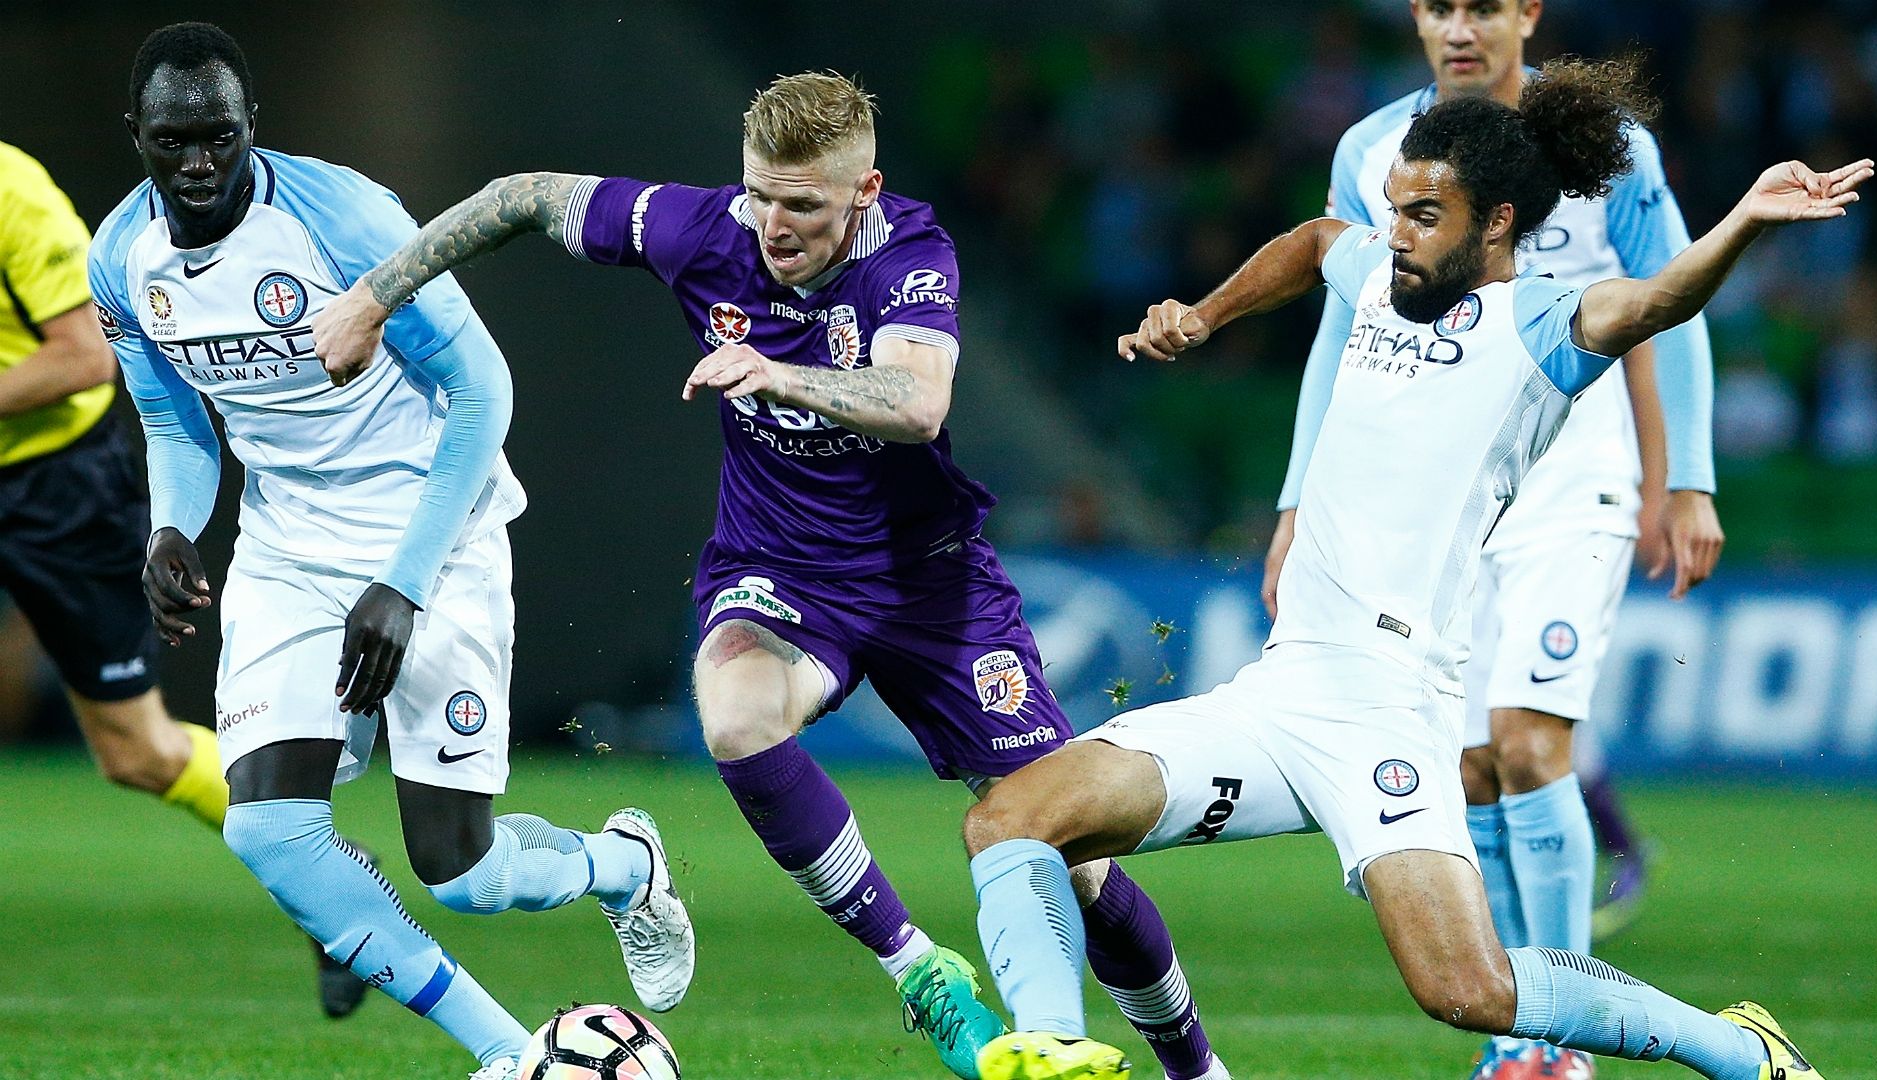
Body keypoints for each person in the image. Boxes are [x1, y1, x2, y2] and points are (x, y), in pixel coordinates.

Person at [959, 58, 1864, 1080]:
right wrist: (1208, 316)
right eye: (1395, 208)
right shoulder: (1381, 281)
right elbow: (1313, 242)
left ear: (1496, 223)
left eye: (1425, 215)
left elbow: (1659, 298)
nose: (1396, 232)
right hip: (1278, 693)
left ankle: (1742, 1049)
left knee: (1466, 990)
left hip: (1391, 709)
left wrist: (1742, 221)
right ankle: (1052, 1050)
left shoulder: (1546, 329)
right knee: (1013, 819)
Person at [313, 72, 1229, 1080]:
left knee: (1078, 862)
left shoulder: (912, 253)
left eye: (804, 204)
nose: (775, 225)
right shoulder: (697, 229)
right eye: (761, 194)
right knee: (738, 718)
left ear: (864, 193)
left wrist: (778, 372)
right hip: (780, 570)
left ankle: (1194, 1067)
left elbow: (918, 402)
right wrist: (371, 295)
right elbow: (525, 193)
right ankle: (918, 969)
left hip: (933, 585)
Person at [89, 24, 692, 1080]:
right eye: (173, 141)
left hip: (432, 533)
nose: (197, 165)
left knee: (457, 869)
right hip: (286, 546)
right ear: (134, 133)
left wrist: (403, 585)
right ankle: (512, 1057)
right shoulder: (120, 260)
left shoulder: (344, 219)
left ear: (252, 128)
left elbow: (481, 392)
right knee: (270, 831)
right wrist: (174, 527)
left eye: (218, 139)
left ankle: (619, 861)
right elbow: (177, 421)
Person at [1261, 11, 1720, 1060]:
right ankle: (1521, 1032)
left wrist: (1683, 477)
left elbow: (1668, 306)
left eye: (1485, 4)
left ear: (1529, 14)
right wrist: (1299, 502)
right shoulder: (1375, 151)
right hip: (1454, 492)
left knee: (1528, 742)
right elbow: (1347, 322)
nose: (1460, 27)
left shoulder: (1608, 148)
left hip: (1580, 472)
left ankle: (1562, 1042)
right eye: (1439, 4)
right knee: (1468, 765)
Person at [1, 134, 380, 1017]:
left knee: (137, 752)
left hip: (54, 484)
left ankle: (330, 888)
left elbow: (83, 356)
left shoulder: (13, 190)